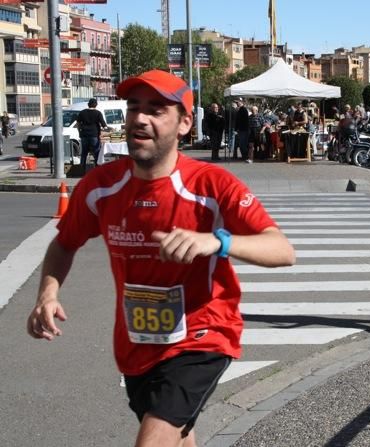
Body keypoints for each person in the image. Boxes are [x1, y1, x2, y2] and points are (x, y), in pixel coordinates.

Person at [26, 70, 296, 447]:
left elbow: (282, 249)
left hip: (203, 335)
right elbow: (65, 243)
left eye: (156, 110)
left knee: (153, 439)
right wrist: (47, 295)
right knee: (178, 435)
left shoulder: (211, 185)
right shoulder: (100, 186)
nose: (140, 118)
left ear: (185, 123)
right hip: (137, 343)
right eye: (134, 107)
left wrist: (215, 241)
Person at [75, 98, 108, 170]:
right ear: (96, 105)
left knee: (84, 152)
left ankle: (82, 169)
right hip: (94, 135)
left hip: (84, 135)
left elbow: (77, 124)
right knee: (96, 152)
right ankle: (97, 168)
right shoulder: (98, 113)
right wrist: (106, 129)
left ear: (88, 104)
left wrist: (80, 132)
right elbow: (104, 125)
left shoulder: (82, 112)